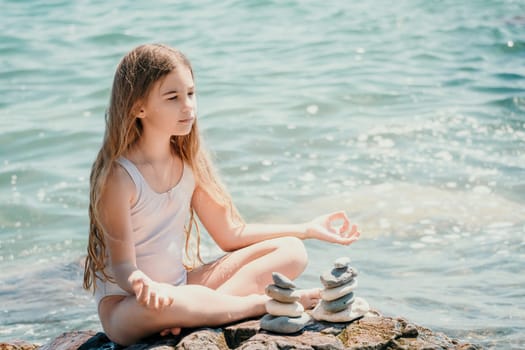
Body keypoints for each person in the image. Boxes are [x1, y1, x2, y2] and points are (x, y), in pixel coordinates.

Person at [83, 43, 360, 346]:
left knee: (292, 251)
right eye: (173, 97)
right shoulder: (120, 176)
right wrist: (141, 283)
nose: (188, 106)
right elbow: (123, 266)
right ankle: (257, 305)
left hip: (181, 288)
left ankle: (201, 312)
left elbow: (231, 233)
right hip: (128, 307)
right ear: (139, 107)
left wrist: (306, 229)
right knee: (171, 302)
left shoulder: (187, 162)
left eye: (190, 93)